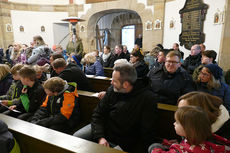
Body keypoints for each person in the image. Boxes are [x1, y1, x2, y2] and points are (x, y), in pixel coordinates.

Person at [74, 64, 158, 152]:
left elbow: (146, 132)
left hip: (126, 142)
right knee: (77, 138)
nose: (111, 83)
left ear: (125, 84)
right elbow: (98, 114)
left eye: (114, 81)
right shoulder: (112, 90)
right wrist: (100, 137)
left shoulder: (148, 99)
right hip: (104, 131)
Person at [148, 106, 230, 153]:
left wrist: (154, 148)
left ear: (188, 128)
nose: (174, 123)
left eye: (177, 122)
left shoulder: (181, 150)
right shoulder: (213, 139)